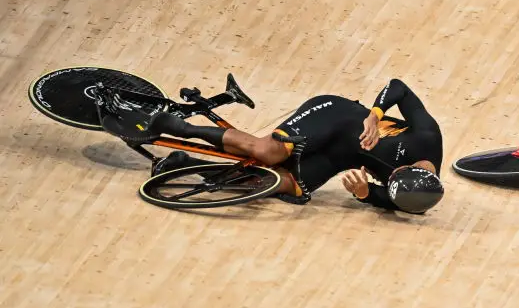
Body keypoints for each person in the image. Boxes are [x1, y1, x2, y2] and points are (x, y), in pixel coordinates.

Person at [145, 78, 444, 214]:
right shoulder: (428, 136)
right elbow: (398, 88)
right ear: (411, 167)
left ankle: (185, 164)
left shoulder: (413, 199)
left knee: (282, 184)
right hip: (336, 117)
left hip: (338, 156)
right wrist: (373, 117)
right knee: (268, 152)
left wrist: (364, 194)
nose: (388, 177)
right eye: (393, 174)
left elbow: (381, 199)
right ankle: (184, 127)